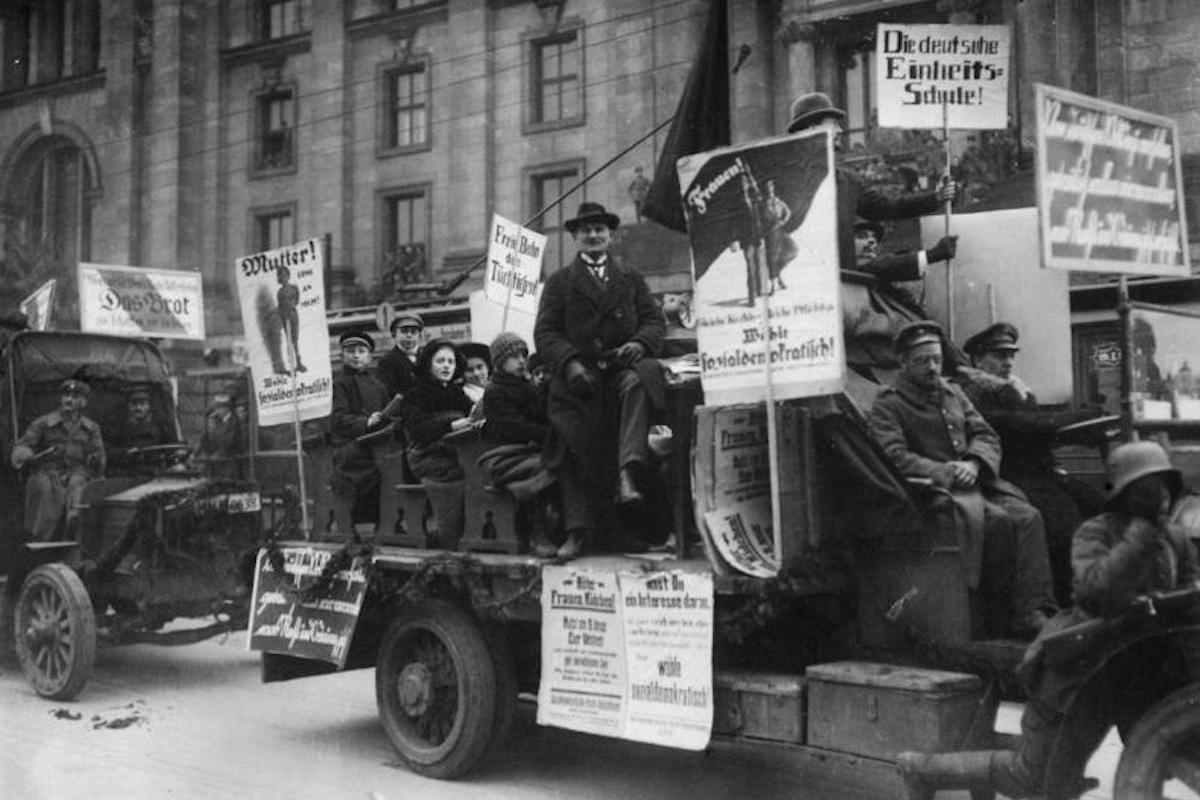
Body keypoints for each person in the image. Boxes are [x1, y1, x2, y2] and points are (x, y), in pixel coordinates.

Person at [898, 441, 1199, 799]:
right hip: (1076, 674)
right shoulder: (1097, 532)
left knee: (1170, 747)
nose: (1159, 497)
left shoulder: (1175, 539)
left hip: (1135, 671)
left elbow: (1190, 593)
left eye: (1162, 486)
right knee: (1031, 778)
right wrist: (1140, 538)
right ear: (1127, 494)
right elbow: (1095, 592)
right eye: (1147, 489)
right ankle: (921, 770)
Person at [868, 321, 1058, 638]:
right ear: (903, 363)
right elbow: (894, 456)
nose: (932, 368)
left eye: (937, 359)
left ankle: (1033, 609)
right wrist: (948, 471)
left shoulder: (952, 393)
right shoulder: (889, 403)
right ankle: (992, 623)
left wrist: (974, 461)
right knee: (996, 523)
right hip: (935, 492)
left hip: (976, 483)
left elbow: (985, 433)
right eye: (922, 361)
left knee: (1028, 517)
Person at [534, 201, 667, 559]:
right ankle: (578, 534)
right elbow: (545, 333)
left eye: (600, 230)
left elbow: (655, 321)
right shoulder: (560, 283)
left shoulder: (631, 277)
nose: (593, 236)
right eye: (586, 231)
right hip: (577, 384)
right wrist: (570, 362)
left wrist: (639, 343)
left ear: (611, 235)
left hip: (617, 373)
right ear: (576, 237)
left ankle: (628, 472)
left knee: (639, 384)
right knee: (575, 449)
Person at [957, 322, 1107, 605]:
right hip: (1007, 478)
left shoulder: (1017, 392)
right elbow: (1023, 426)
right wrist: (1077, 417)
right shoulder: (972, 394)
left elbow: (1039, 431)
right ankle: (1070, 604)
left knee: (1100, 505)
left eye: (1011, 355)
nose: (1008, 362)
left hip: (1042, 474)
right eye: (1000, 355)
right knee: (1066, 527)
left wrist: (1089, 430)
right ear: (978, 359)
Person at [785, 92, 958, 274]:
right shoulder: (782, 179)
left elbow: (888, 207)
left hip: (842, 284)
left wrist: (936, 197)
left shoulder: (848, 181)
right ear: (813, 129)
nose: (840, 131)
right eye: (834, 124)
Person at [843, 217, 959, 383]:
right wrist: (932, 255)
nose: (871, 242)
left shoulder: (888, 290)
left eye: (874, 240)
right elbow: (881, 265)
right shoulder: (847, 276)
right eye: (861, 236)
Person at [478, 332, 556, 555]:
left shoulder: (529, 386)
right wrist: (551, 434)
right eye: (514, 356)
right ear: (500, 362)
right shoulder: (494, 392)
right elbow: (515, 428)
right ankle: (536, 534)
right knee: (544, 465)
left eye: (523, 354)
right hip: (504, 456)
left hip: (528, 450)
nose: (521, 360)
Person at [399, 339, 477, 547]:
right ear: (428, 364)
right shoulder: (416, 393)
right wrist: (451, 424)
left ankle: (475, 533)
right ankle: (451, 539)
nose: (446, 366)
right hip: (427, 456)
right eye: (440, 361)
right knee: (460, 477)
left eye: (451, 362)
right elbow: (417, 429)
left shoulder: (456, 392)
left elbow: (472, 415)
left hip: (455, 451)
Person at [11, 378, 106, 541]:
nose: (69, 400)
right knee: (44, 489)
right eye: (66, 395)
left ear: (83, 402)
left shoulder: (91, 427)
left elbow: (99, 452)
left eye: (75, 397)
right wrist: (24, 454)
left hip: (77, 473)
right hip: (48, 472)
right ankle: (39, 539)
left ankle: (74, 535)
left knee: (81, 492)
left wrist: (95, 459)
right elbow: (24, 444)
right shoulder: (44, 423)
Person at [330, 329, 391, 537]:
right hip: (351, 444)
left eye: (361, 351)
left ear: (370, 356)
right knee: (371, 468)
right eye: (350, 351)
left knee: (393, 463)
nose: (356, 355)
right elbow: (338, 419)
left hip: (377, 442)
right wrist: (366, 422)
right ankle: (359, 524)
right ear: (342, 355)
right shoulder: (339, 384)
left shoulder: (378, 385)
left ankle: (389, 521)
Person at [109, 387, 178, 471]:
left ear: (149, 406)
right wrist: (125, 452)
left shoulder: (161, 427)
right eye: (134, 404)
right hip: (128, 472)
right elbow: (109, 451)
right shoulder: (120, 428)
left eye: (142, 404)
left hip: (157, 471)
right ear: (128, 406)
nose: (138, 408)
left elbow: (171, 449)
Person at [376, 311, 423, 399]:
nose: (409, 335)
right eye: (404, 331)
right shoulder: (387, 362)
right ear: (394, 335)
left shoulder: (427, 357)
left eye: (413, 332)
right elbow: (388, 393)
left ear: (420, 336)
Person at [275, 265, 305, 374]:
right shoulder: (279, 292)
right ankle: (291, 365)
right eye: (280, 276)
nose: (282, 278)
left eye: (284, 275)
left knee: (295, 340)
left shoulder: (294, 288)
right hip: (284, 316)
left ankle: (299, 363)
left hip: (293, 315)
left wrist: (291, 306)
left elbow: (297, 300)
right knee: (289, 341)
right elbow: (279, 306)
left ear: (288, 275)